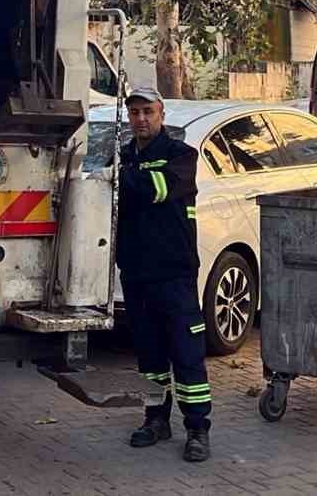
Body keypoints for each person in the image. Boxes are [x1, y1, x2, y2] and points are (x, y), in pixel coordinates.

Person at [114, 85, 211, 462]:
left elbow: (155, 189)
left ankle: (198, 430)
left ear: (162, 114)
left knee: (187, 355)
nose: (141, 118)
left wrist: (119, 178)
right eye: (135, 112)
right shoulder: (123, 156)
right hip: (137, 273)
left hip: (174, 273)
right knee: (150, 357)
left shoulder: (182, 156)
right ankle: (156, 420)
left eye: (148, 112)